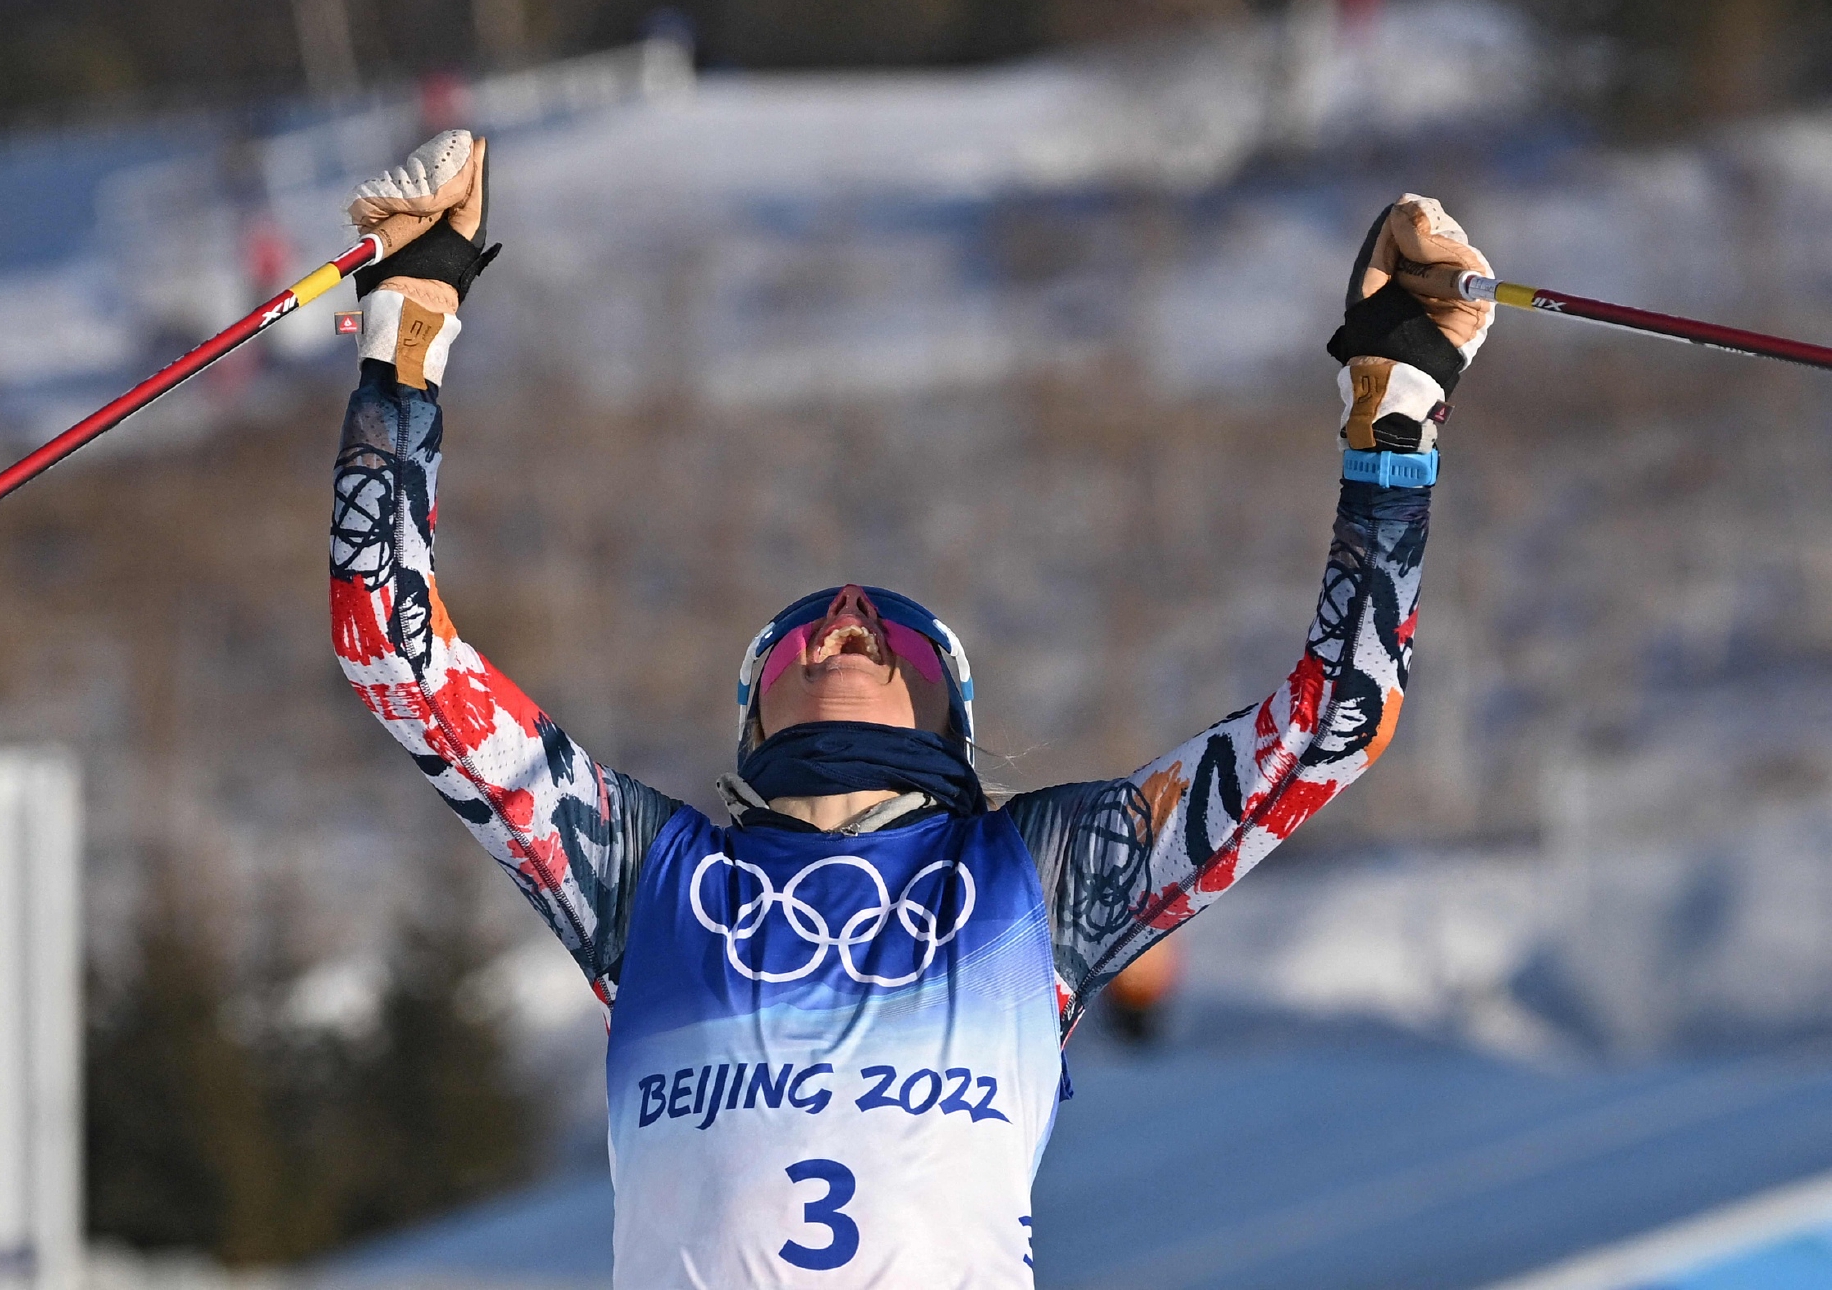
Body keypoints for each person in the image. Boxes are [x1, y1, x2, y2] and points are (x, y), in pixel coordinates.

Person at [329, 130, 1488, 1287]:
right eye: (808, 630)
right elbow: (391, 642)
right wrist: (412, 317)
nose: (842, 621)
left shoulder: (1039, 874)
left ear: (948, 721)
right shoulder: (645, 877)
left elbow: (1334, 715)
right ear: (756, 721)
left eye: (884, 630)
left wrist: (1397, 402)